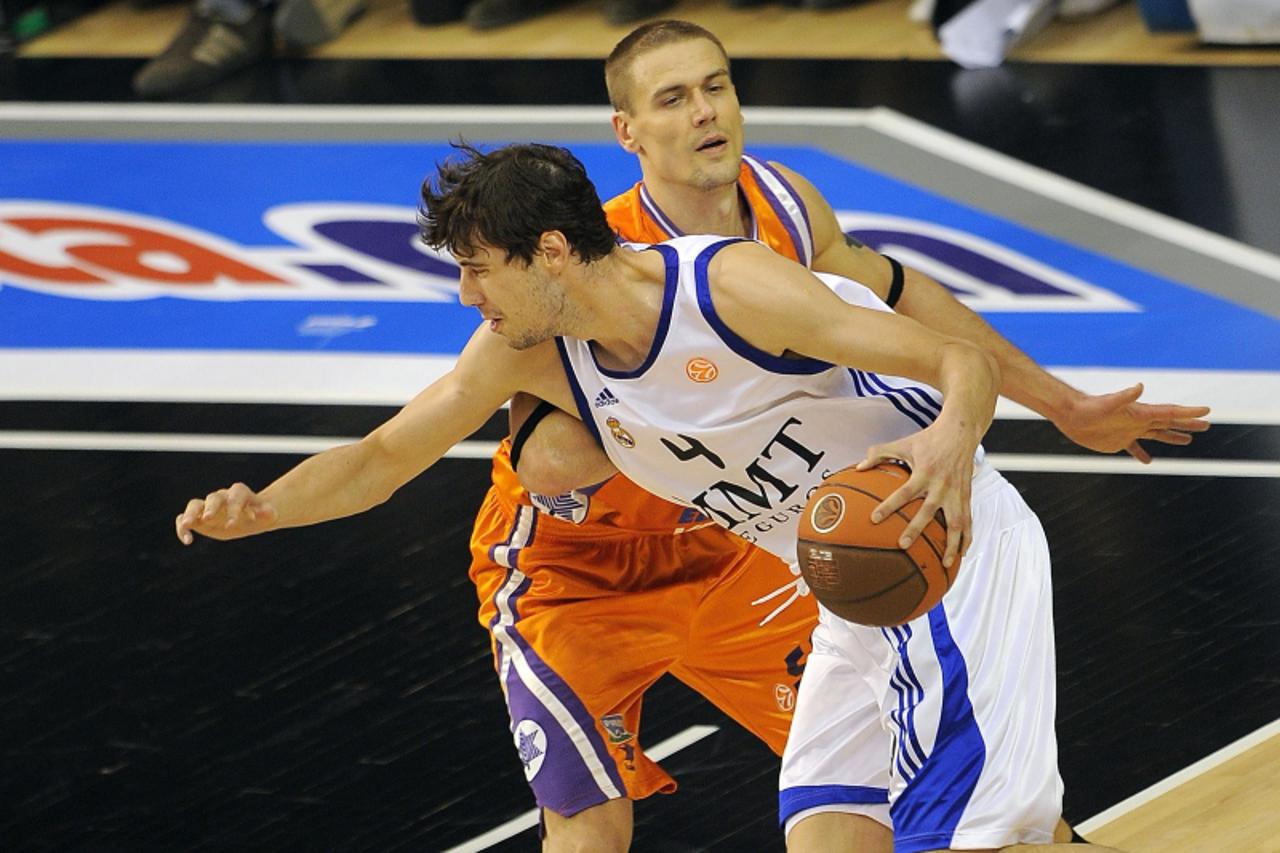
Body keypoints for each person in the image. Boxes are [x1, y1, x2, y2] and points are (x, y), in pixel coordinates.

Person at [175, 141, 1135, 852]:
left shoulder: (728, 288)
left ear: (550, 250)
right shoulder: (532, 351)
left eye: (478, 267)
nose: (468, 294)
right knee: (829, 832)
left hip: (938, 549)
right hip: (849, 588)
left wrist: (949, 447)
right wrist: (265, 507)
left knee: (957, 833)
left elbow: (956, 356)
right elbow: (386, 454)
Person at [486, 18, 1208, 847]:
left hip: (767, 544)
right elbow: (544, 457)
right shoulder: (593, 259)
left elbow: (912, 301)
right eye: (674, 99)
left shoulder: (781, 206)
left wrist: (1063, 404)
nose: (704, 113)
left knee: (945, 790)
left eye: (716, 87)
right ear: (628, 131)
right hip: (590, 558)